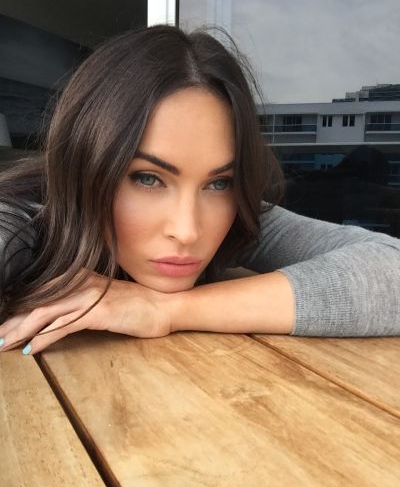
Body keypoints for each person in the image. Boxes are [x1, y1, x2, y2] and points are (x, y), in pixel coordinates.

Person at [0, 24, 399, 357]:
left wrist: (167, 309)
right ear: (86, 168)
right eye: (147, 178)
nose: (188, 231)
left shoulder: (240, 219)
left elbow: (390, 270)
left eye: (218, 182)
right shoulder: (26, 216)